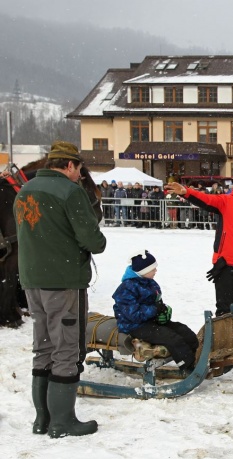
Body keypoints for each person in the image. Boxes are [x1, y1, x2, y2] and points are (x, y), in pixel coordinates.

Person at [15, 140, 107, 438]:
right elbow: (93, 241)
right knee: (66, 347)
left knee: (43, 346)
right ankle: (63, 422)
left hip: (31, 280)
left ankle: (42, 420)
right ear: (69, 165)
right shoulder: (70, 192)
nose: (80, 175)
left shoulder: (25, 190)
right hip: (63, 280)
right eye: (79, 169)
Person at [164, 168, 233, 335]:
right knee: (224, 310)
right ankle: (224, 345)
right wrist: (186, 192)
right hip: (225, 264)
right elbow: (205, 199)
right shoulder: (225, 201)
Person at [112, 250, 199, 370]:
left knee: (184, 331)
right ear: (143, 271)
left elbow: (157, 302)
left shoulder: (150, 283)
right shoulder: (126, 288)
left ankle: (197, 358)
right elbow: (133, 314)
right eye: (152, 269)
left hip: (151, 322)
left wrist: (163, 312)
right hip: (134, 326)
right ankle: (190, 367)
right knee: (172, 338)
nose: (155, 271)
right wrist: (154, 310)